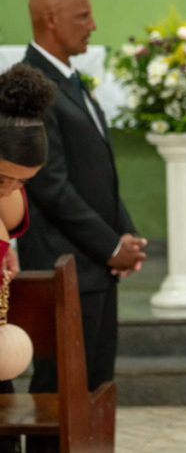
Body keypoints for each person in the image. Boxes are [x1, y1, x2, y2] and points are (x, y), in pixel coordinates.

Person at [20, 0, 147, 394]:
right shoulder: (30, 86)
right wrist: (110, 247)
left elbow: (98, 174)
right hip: (64, 264)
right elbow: (50, 186)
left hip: (93, 266)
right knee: (61, 388)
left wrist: (125, 236)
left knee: (95, 386)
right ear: (52, 20)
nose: (93, 25)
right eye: (83, 16)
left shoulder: (72, 81)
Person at [0, 63, 56, 453]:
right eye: (4, 179)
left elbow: (13, 218)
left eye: (23, 182)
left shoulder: (9, 195)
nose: (12, 190)